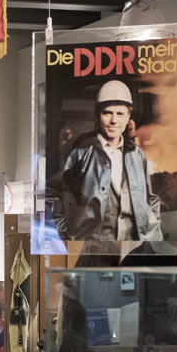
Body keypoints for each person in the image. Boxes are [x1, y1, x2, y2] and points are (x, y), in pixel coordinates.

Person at [49, 80, 164, 245]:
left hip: (135, 247)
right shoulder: (80, 154)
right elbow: (53, 193)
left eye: (120, 114)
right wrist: (67, 233)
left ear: (128, 117)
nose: (114, 120)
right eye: (107, 113)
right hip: (94, 249)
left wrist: (153, 236)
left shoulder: (137, 155)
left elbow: (150, 199)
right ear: (97, 115)